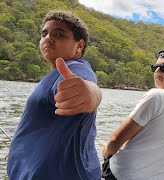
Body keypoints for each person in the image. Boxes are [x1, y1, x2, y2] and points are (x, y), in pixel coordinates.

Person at [7, 10, 101, 180]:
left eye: (59, 34)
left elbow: (89, 90)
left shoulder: (75, 68)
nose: (48, 38)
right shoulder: (55, 74)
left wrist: (90, 95)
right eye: (44, 33)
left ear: (79, 46)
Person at [99, 49, 164, 180]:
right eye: (155, 67)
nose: (158, 71)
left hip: (126, 174)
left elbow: (115, 140)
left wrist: (107, 152)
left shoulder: (156, 95)